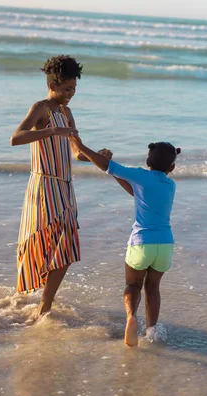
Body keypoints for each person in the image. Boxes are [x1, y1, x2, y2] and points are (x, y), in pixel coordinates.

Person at [10, 55, 110, 317]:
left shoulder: (67, 113)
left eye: (74, 89)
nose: (71, 94)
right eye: (67, 89)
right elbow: (16, 137)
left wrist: (95, 154)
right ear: (53, 84)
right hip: (43, 186)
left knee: (65, 247)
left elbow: (76, 152)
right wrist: (52, 132)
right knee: (48, 243)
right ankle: (42, 304)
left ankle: (45, 303)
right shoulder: (41, 108)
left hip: (65, 187)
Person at [69, 135, 181, 346]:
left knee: (132, 285)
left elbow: (106, 165)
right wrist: (113, 173)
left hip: (142, 242)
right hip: (165, 244)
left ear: (148, 162)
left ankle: (131, 317)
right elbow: (136, 192)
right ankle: (152, 331)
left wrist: (82, 146)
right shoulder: (170, 185)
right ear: (172, 167)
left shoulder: (140, 175)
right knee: (153, 288)